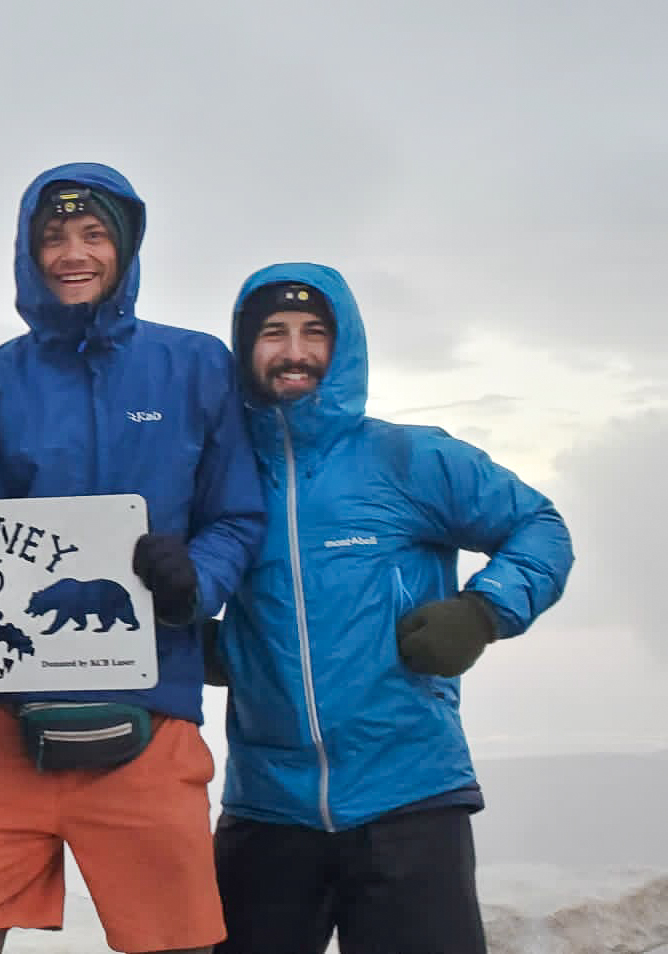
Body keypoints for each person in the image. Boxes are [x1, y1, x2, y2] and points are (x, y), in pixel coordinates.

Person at [0, 164, 266, 954]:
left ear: (126, 246)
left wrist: (196, 581)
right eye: (54, 237)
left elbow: (237, 514)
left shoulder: (197, 365)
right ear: (27, 252)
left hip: (152, 713)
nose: (74, 253)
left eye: (94, 234)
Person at [209, 263, 575, 954]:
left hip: (409, 797)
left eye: (315, 332)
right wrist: (203, 643)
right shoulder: (223, 473)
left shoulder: (407, 458)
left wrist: (483, 611)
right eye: (274, 334)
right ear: (245, 348)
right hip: (267, 806)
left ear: (343, 347)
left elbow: (541, 527)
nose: (294, 351)